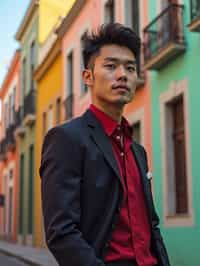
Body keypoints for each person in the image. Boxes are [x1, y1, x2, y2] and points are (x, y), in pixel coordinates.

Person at [40, 23, 170, 266]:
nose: (123, 74)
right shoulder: (66, 139)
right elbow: (61, 232)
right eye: (111, 66)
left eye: (130, 68)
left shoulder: (137, 151)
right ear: (87, 76)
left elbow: (151, 225)